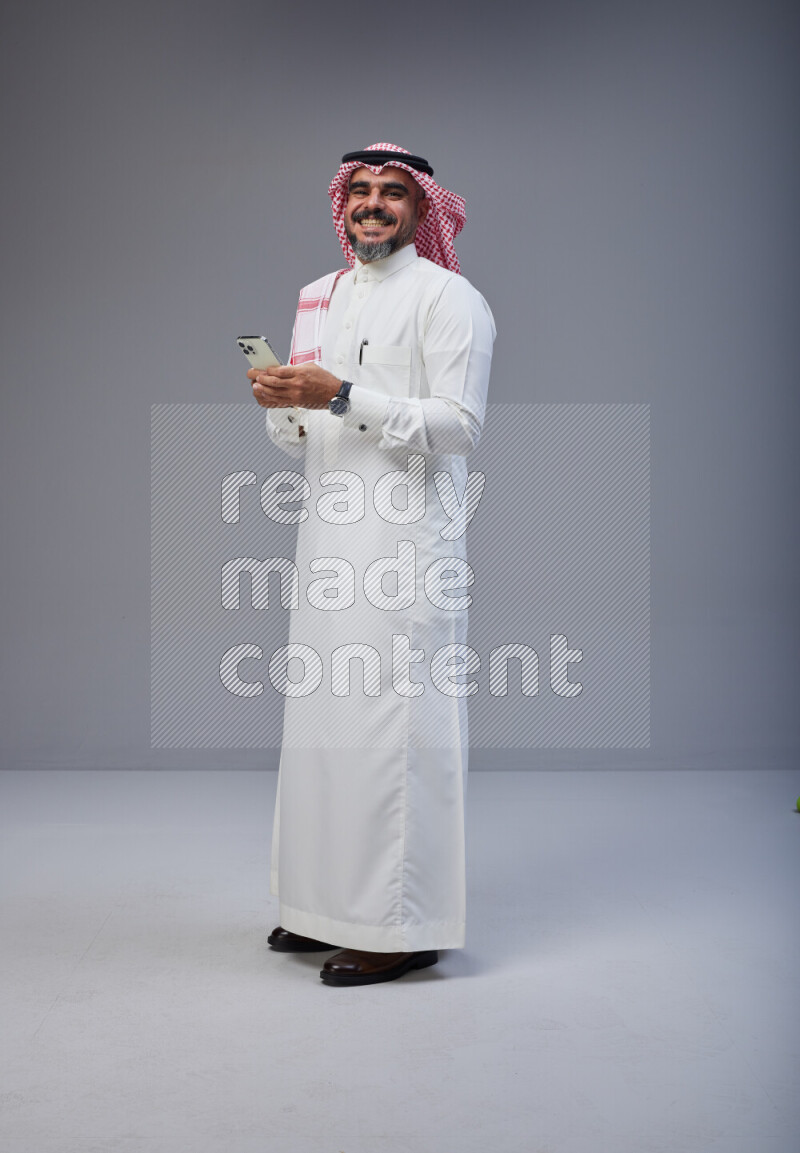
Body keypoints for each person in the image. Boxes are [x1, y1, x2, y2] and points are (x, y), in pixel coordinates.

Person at [249, 142, 495, 986]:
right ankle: (323, 908)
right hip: (327, 542)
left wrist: (342, 395)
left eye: (394, 193)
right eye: (361, 191)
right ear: (341, 202)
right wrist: (281, 402)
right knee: (325, 728)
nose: (374, 205)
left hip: (405, 548)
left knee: (395, 730)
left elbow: (461, 424)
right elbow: (300, 434)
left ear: (423, 210)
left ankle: (402, 926)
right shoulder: (318, 297)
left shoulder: (449, 297)